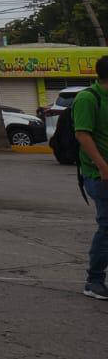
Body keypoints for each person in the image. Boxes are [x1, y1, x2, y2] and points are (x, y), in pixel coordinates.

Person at [71, 56, 108, 300]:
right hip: (99, 175)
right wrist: (103, 167)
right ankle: (93, 280)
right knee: (107, 226)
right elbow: (83, 135)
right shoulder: (88, 98)